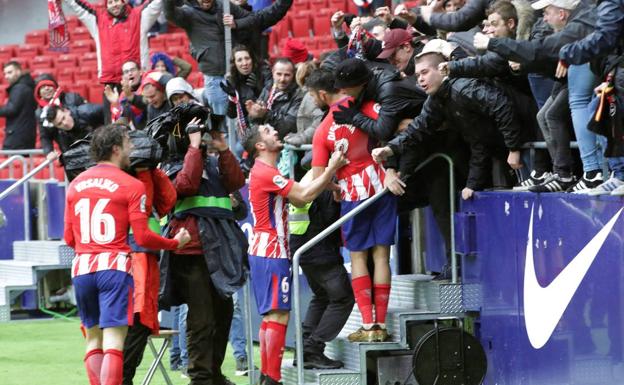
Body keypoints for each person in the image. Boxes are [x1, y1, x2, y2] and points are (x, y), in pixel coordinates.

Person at [64, 124, 190, 385]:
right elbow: (142, 237)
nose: (132, 149)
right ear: (116, 149)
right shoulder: (131, 185)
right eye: (128, 144)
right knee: (113, 342)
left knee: (93, 340)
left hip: (82, 268)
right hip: (114, 267)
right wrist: (173, 243)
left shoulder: (75, 184)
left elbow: (69, 238)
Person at [242, 123, 348, 385]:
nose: (275, 132)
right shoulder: (266, 172)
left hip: (262, 251)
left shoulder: (265, 171)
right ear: (260, 146)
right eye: (268, 131)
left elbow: (300, 198)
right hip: (271, 251)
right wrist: (332, 168)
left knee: (272, 315)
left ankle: (268, 377)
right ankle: (272, 379)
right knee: (279, 314)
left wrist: (326, 183)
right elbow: (303, 194)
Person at [474, 0, 602, 193]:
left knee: (579, 105)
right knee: (547, 115)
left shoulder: (580, 24)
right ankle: (569, 173)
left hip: (606, 72)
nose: (544, 18)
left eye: (547, 12)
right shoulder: (578, 21)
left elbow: (541, 50)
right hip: (575, 74)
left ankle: (592, 173)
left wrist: (493, 44)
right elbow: (546, 56)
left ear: (562, 14)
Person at [372, 40, 526, 200]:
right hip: (501, 148)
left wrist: (513, 148)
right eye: (418, 75)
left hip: (525, 139)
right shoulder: (435, 100)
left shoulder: (463, 87)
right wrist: (389, 149)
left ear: (442, 70)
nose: (420, 80)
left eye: (425, 73)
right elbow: (417, 129)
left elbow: (502, 105)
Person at [309, 63, 396, 342]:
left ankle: (368, 326)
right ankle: (381, 325)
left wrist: (334, 184)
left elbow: (317, 176)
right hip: (381, 186)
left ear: (322, 94)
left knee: (359, 257)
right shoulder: (367, 105)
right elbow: (391, 128)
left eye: (312, 96)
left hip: (352, 194)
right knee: (381, 255)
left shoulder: (323, 130)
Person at [159, 117, 248, 385]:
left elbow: (236, 182)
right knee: (201, 318)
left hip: (220, 248)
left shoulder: (213, 161)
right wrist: (195, 148)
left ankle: (214, 374)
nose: (201, 135)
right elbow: (185, 185)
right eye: (194, 133)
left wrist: (223, 149)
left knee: (223, 315)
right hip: (191, 252)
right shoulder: (170, 166)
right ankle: (200, 378)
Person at [163, 0, 293, 131]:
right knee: (225, 129)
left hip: (240, 76)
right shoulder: (189, 13)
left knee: (245, 126)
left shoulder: (225, 7)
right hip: (216, 79)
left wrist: (237, 23)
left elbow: (259, 19)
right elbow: (170, 14)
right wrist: (203, 56)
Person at [62, 0, 164, 123]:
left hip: (137, 82)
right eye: (110, 2)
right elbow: (79, 6)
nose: (114, 4)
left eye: (117, 1)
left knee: (143, 123)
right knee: (112, 126)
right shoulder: (98, 20)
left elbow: (156, 2)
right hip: (110, 85)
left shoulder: (139, 16)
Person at [246, 58, 304, 139]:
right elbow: (254, 122)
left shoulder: (298, 95)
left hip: (284, 144)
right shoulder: (268, 88)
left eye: (287, 75)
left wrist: (266, 114)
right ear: (273, 73)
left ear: (293, 75)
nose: (282, 79)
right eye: (279, 74)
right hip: (264, 140)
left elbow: (288, 127)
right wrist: (253, 114)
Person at [33, 73, 86, 149]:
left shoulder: (73, 98)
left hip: (86, 141)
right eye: (42, 87)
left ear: (55, 87)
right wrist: (49, 151)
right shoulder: (40, 113)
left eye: (49, 85)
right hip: (67, 150)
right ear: (39, 94)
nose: (46, 88)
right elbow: (45, 136)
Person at [0, 61, 37, 150]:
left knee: (12, 162)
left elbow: (11, 110)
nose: (6, 76)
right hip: (26, 134)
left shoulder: (19, 88)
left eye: (10, 72)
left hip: (17, 136)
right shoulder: (27, 85)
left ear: (18, 71)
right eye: (5, 73)